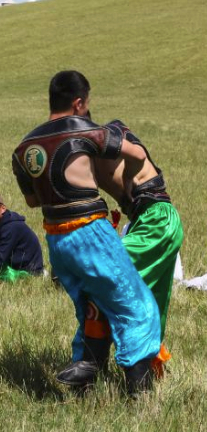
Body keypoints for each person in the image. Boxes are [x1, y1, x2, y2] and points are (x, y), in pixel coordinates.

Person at [12, 70, 160, 396]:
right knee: (138, 308)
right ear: (79, 102)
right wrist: (128, 183)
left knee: (91, 309)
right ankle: (140, 396)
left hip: (56, 240)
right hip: (90, 232)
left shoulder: (24, 148)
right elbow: (137, 154)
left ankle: (85, 377)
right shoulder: (86, 130)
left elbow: (32, 201)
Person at [55, 118, 184, 385]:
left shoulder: (108, 137)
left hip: (157, 220)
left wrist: (126, 179)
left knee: (104, 277)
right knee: (137, 297)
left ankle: (91, 363)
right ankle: (127, 370)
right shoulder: (82, 159)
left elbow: (138, 155)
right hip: (145, 222)